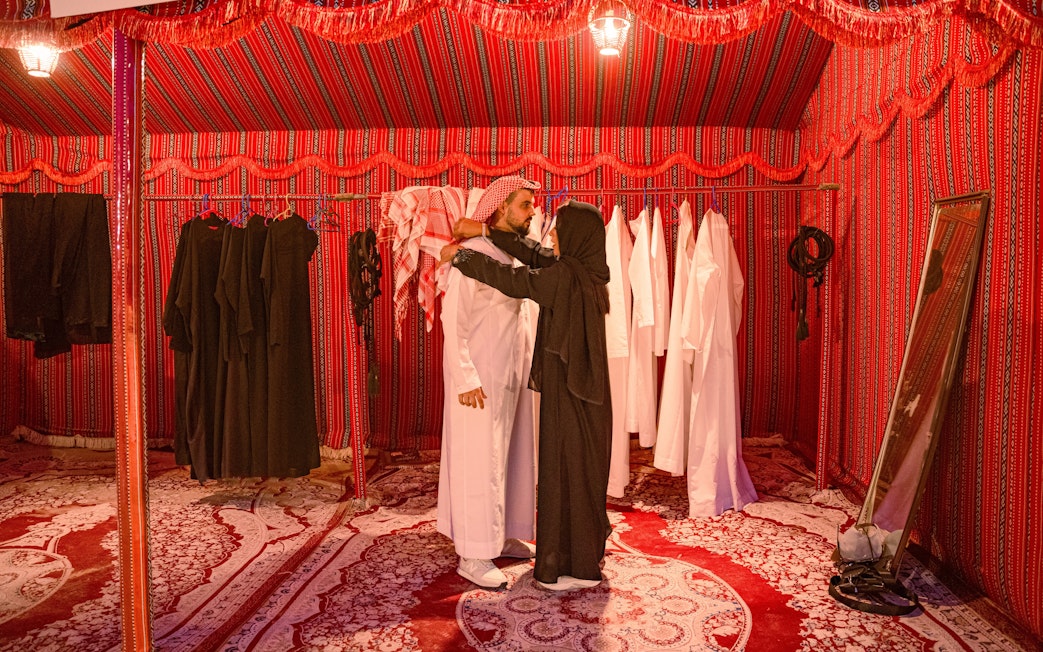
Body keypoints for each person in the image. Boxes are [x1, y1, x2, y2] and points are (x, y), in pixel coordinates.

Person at [442, 199, 613, 591]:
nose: (548, 234)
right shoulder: (584, 268)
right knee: (499, 462)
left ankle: (571, 562)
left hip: (570, 395)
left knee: (565, 469)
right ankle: (482, 546)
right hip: (564, 392)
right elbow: (534, 254)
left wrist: (462, 257)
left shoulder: (566, 275)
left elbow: (515, 280)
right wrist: (482, 234)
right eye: (526, 206)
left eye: (558, 231)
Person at [437, 176, 542, 589]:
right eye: (525, 205)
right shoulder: (474, 255)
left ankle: (504, 533)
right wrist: (465, 377)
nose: (532, 212)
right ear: (501, 207)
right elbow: (453, 320)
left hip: (511, 376)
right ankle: (474, 552)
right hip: (478, 379)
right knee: (479, 461)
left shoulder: (515, 253)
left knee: (512, 455)